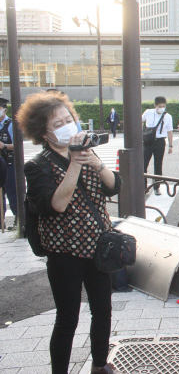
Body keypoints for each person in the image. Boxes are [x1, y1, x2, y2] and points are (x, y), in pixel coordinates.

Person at [17, 92, 123, 374]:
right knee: (68, 318)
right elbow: (56, 204)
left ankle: (100, 364)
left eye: (69, 119)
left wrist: (95, 163)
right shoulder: (37, 166)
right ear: (43, 132)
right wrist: (75, 163)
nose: (68, 125)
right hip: (65, 253)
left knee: (103, 310)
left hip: (99, 246)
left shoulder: (88, 152)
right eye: (58, 123)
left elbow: (113, 186)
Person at [142, 97, 174, 195]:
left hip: (160, 142)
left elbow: (170, 131)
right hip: (148, 141)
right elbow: (140, 120)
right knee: (143, 164)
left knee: (158, 165)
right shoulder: (148, 112)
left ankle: (157, 187)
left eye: (164, 106)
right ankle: (143, 187)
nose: (162, 108)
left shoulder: (168, 116)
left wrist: (170, 145)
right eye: (160, 106)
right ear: (155, 106)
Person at [0, 98, 17, 227]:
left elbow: (18, 145)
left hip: (10, 164)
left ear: (4, 109)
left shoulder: (11, 124)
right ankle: (1, 222)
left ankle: (18, 218)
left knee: (13, 192)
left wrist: (4, 146)